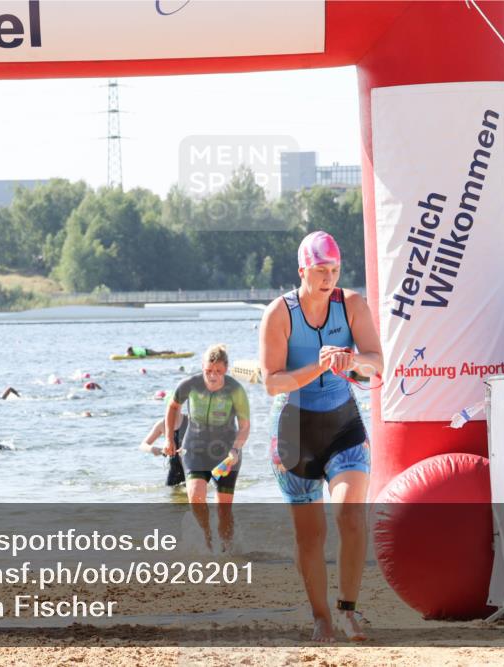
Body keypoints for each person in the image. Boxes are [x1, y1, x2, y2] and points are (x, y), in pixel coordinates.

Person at [259, 230, 384, 642]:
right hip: (293, 431)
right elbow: (272, 383)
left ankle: (348, 609)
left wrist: (352, 361)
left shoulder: (351, 305)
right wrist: (319, 365)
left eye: (334, 270)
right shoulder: (279, 314)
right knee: (310, 535)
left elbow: (376, 363)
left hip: (342, 425)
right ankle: (321, 617)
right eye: (320, 271)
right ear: (302, 271)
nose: (328, 278)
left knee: (350, 515)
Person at [164, 344, 250, 550]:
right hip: (195, 449)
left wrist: (236, 449)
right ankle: (207, 538)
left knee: (224, 509)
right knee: (195, 497)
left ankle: (228, 549)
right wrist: (169, 438)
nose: (213, 376)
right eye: (209, 371)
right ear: (202, 367)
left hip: (227, 452)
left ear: (226, 369)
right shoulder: (189, 384)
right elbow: (172, 406)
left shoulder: (235, 390)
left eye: (218, 371)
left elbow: (245, 426)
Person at [139, 400, 188, 488]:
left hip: (191, 469)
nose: (175, 408)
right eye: (172, 406)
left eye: (177, 405)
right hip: (174, 471)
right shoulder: (162, 424)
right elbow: (143, 445)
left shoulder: (189, 421)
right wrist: (158, 450)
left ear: (181, 405)